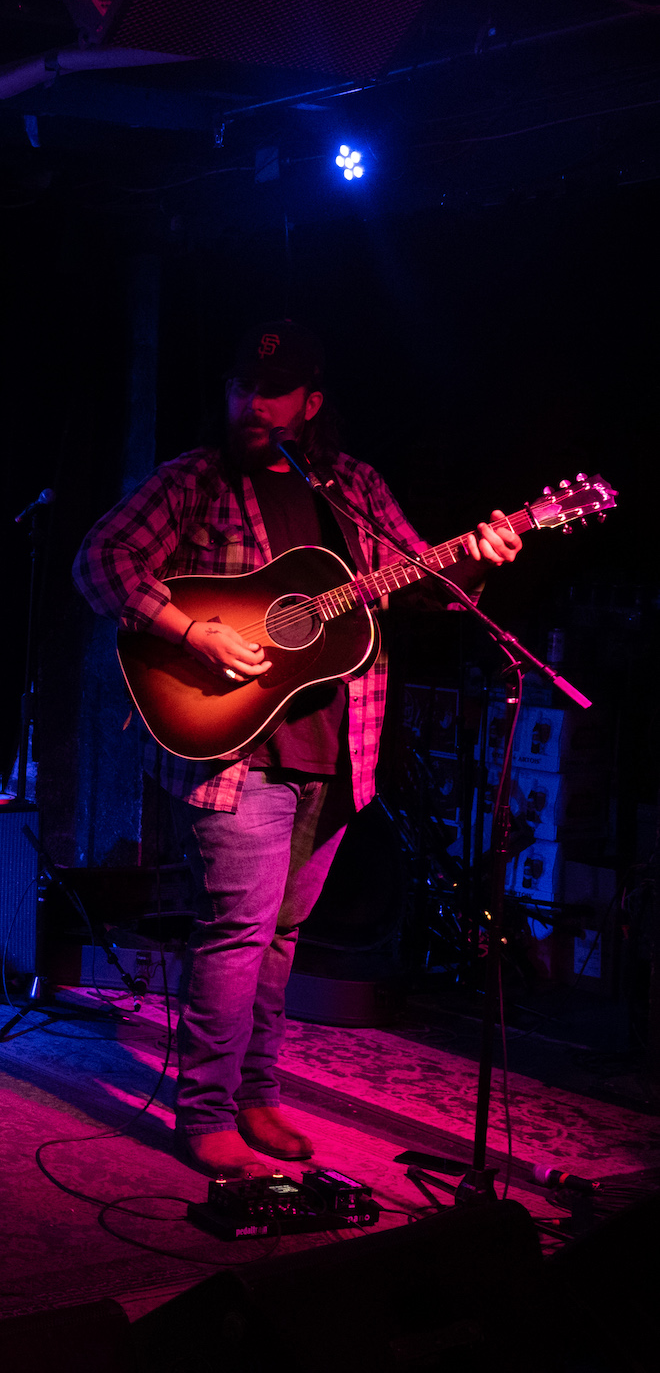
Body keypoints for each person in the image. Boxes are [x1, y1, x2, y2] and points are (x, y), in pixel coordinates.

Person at [73, 320, 521, 1179]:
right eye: (242, 386)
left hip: (339, 749)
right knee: (238, 934)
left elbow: (423, 584)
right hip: (236, 754)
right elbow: (99, 562)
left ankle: (257, 1095)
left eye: (274, 391)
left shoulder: (353, 489)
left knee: (282, 937)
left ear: (310, 403)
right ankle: (206, 1112)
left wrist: (477, 560)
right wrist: (192, 630)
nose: (254, 403)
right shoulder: (192, 481)